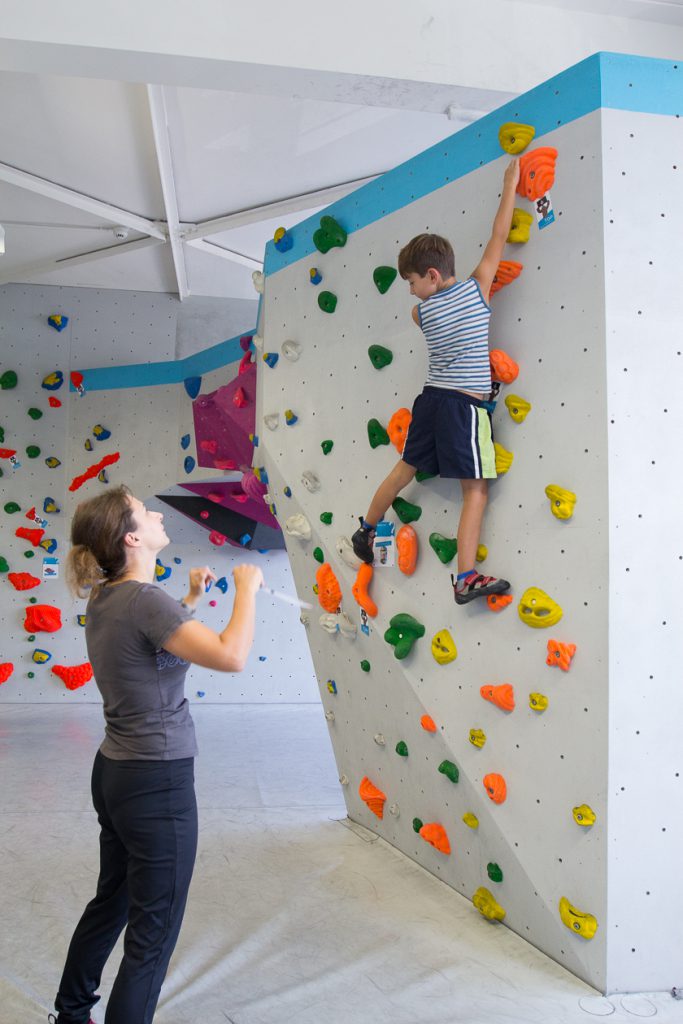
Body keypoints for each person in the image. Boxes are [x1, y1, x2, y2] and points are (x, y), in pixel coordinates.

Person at [49, 485, 263, 1024]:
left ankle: (70, 1015)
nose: (156, 513)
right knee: (153, 933)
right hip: (155, 783)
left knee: (113, 903)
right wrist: (248, 589)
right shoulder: (145, 601)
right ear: (133, 536)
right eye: (145, 510)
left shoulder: (110, 596)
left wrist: (189, 601)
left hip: (117, 774)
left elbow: (150, 656)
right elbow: (231, 657)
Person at [352, 158, 521, 605]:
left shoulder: (421, 313)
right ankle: (466, 577)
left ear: (430, 276)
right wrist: (511, 184)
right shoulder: (475, 289)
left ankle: (365, 528)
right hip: (463, 407)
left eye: (410, 281)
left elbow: (421, 305)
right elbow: (498, 237)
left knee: (403, 470)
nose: (409, 291)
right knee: (477, 490)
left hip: (429, 402)